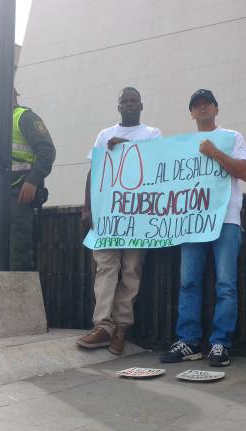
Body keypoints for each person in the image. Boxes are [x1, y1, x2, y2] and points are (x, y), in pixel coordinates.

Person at [160, 89, 246, 367]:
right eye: (196, 105)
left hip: (226, 220)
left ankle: (220, 343)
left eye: (206, 104)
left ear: (216, 109)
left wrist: (214, 153)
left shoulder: (232, 138)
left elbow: (245, 172)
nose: (201, 109)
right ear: (191, 112)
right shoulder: (182, 144)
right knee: (188, 283)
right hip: (192, 222)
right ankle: (188, 341)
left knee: (225, 284)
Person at [77, 87, 162, 355]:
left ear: (141, 105)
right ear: (118, 107)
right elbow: (95, 171)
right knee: (105, 268)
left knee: (131, 270)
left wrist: (127, 147)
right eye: (123, 101)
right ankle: (103, 325)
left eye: (132, 101)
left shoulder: (152, 134)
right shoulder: (104, 135)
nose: (128, 105)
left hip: (138, 215)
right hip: (108, 215)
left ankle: (122, 326)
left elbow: (158, 166)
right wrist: (88, 207)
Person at [0, 82, 56, 271]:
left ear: (0, 98)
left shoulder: (24, 118)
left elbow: (46, 151)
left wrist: (33, 181)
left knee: (18, 253)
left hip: (17, 193)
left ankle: (19, 298)